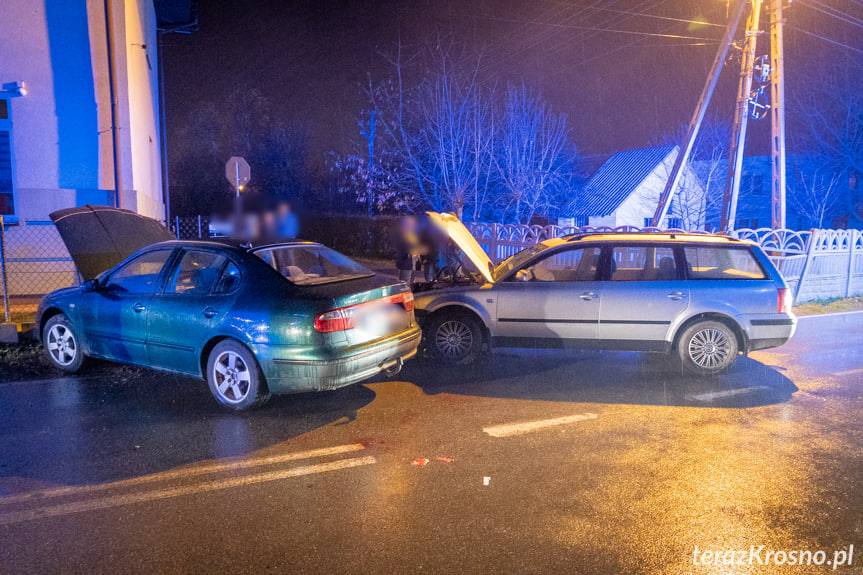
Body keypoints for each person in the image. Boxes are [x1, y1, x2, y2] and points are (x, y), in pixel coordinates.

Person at [394, 215, 424, 285]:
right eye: (410, 223)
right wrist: (417, 250)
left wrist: (420, 250)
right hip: (406, 263)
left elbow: (416, 246)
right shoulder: (402, 234)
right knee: (405, 282)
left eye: (413, 223)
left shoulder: (413, 235)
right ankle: (405, 293)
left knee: (411, 280)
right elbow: (402, 248)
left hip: (414, 262)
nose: (412, 225)